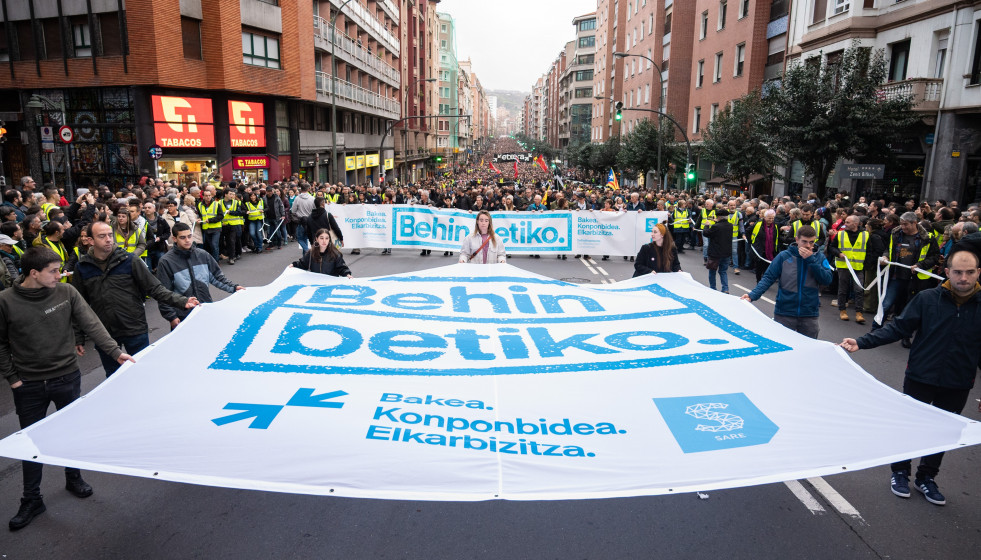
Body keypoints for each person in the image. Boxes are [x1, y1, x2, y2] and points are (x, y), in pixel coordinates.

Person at [1, 247, 135, 531]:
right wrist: (13, 378)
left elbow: (91, 323)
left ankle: (73, 477)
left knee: (70, 433)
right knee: (31, 443)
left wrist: (114, 352)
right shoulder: (6, 301)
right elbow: (0, 344)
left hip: (66, 377)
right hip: (29, 384)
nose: (60, 275)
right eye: (53, 271)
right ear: (33, 273)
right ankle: (31, 499)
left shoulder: (66, 293)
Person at [840, 248, 981, 506]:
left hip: (958, 383)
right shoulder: (927, 299)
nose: (964, 277)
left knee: (943, 432)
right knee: (908, 426)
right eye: (958, 272)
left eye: (969, 272)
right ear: (947, 272)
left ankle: (927, 477)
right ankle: (900, 472)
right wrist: (862, 342)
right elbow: (899, 327)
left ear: (978, 273)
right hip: (920, 376)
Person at [72, 221, 198, 376]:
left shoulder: (129, 260)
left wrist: (182, 301)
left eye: (110, 235)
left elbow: (155, 288)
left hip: (134, 327)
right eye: (102, 236)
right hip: (104, 333)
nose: (108, 239)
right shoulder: (82, 267)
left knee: (142, 372)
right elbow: (78, 305)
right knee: (113, 375)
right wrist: (78, 337)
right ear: (90, 240)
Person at [741, 225, 834, 339]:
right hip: (784, 312)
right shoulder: (784, 256)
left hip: (809, 314)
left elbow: (827, 280)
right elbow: (768, 278)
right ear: (796, 239)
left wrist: (811, 260)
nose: (808, 245)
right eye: (804, 241)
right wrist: (752, 295)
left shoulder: (819, 257)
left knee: (807, 351)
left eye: (812, 242)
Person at [156, 223, 244, 330]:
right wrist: (171, 317)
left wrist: (234, 288)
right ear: (174, 239)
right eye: (182, 238)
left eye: (189, 236)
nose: (187, 240)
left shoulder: (203, 255)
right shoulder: (166, 262)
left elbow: (217, 277)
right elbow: (163, 294)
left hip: (205, 309)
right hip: (182, 315)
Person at [873, 212, 940, 338]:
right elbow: (888, 248)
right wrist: (885, 256)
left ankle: (905, 336)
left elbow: (935, 257)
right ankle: (875, 330)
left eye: (906, 224)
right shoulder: (895, 234)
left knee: (908, 309)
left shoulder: (927, 238)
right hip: (896, 276)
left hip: (915, 280)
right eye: (901, 224)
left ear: (915, 223)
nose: (903, 227)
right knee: (886, 303)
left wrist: (921, 265)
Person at [827, 214, 868, 324]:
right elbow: (831, 247)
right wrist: (839, 254)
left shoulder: (865, 234)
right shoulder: (840, 234)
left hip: (858, 266)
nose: (845, 224)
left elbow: (869, 250)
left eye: (848, 222)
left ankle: (859, 313)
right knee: (843, 289)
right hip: (843, 266)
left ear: (855, 224)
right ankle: (842, 310)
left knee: (859, 289)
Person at [703, 207, 733, 293]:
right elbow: (721, 228)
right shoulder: (730, 226)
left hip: (715, 253)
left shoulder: (715, 226)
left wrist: (706, 225)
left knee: (712, 271)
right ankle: (725, 288)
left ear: (718, 217)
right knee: (723, 271)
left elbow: (706, 233)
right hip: (726, 253)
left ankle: (713, 288)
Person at [750, 209, 780, 282]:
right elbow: (748, 230)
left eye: (772, 218)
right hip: (760, 250)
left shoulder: (775, 226)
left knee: (767, 268)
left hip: (770, 251)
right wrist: (751, 242)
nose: (771, 220)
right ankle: (758, 281)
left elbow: (776, 237)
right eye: (769, 218)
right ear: (765, 217)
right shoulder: (758, 224)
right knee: (759, 268)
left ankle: (764, 282)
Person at [219, 188, 245, 264]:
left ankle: (231, 257)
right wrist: (220, 222)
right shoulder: (219, 203)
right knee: (224, 241)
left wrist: (231, 212)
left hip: (233, 225)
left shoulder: (236, 202)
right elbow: (217, 214)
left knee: (232, 241)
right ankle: (223, 254)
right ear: (225, 194)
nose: (232, 196)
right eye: (230, 194)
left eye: (233, 194)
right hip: (223, 225)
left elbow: (240, 212)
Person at [196, 189, 224, 262]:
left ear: (211, 196)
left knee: (214, 245)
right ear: (203, 196)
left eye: (209, 195)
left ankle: (216, 261)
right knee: (210, 246)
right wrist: (199, 219)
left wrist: (210, 220)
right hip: (206, 228)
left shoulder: (216, 204)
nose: (208, 197)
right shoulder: (200, 205)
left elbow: (221, 216)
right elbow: (200, 215)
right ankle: (213, 260)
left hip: (216, 228)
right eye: (206, 196)